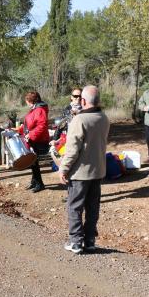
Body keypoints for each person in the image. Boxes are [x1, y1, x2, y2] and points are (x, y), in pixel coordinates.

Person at [59, 85, 110, 254]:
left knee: (74, 207)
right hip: (98, 171)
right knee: (92, 208)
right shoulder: (103, 118)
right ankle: (89, 241)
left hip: (80, 172)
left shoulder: (80, 120)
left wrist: (63, 169)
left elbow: (72, 149)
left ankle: (75, 241)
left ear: (83, 101)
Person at [17, 91, 49, 193]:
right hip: (33, 138)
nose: (26, 103)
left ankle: (40, 184)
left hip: (39, 139)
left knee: (34, 161)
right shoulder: (35, 109)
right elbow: (30, 124)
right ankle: (34, 182)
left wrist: (30, 135)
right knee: (33, 162)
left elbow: (41, 126)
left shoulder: (39, 110)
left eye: (26, 101)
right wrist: (21, 130)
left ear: (30, 101)